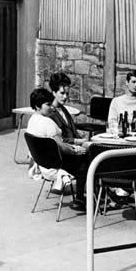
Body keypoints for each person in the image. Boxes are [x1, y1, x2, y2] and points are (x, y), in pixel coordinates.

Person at [26, 88, 89, 211]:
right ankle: (81, 198)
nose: (51, 107)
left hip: (43, 162)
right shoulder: (48, 123)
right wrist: (76, 150)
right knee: (87, 159)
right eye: (48, 105)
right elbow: (61, 146)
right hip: (57, 163)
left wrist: (74, 144)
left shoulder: (32, 121)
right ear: (38, 107)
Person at [47, 73, 91, 209]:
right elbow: (59, 140)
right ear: (53, 92)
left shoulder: (63, 109)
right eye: (62, 93)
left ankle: (100, 192)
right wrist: (79, 141)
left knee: (94, 153)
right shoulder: (50, 113)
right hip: (62, 154)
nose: (65, 97)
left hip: (72, 149)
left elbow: (72, 131)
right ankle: (81, 197)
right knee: (88, 160)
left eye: (67, 93)